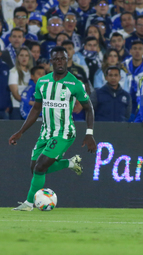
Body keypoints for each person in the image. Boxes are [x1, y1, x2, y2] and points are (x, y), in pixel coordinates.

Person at [9, 46, 97, 211]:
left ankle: (28, 204)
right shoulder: (42, 82)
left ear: (67, 60)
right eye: (56, 59)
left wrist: (89, 133)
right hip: (46, 132)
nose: (60, 62)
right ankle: (70, 163)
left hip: (64, 133)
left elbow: (88, 108)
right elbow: (36, 109)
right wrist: (21, 131)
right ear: (51, 62)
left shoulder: (75, 83)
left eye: (63, 59)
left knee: (40, 166)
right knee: (34, 167)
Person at [122, 40, 143, 120]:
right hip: (124, 100)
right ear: (130, 51)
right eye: (135, 49)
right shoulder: (123, 66)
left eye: (140, 49)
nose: (137, 51)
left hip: (142, 101)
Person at [9, 46, 34, 119]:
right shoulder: (13, 72)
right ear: (17, 57)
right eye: (21, 55)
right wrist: (31, 103)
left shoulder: (31, 73)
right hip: (17, 107)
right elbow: (15, 94)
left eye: (26, 55)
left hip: (29, 108)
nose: (24, 58)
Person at [0, 51, 11, 120]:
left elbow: (9, 88)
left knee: (5, 130)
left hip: (4, 109)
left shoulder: (6, 67)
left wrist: (9, 105)